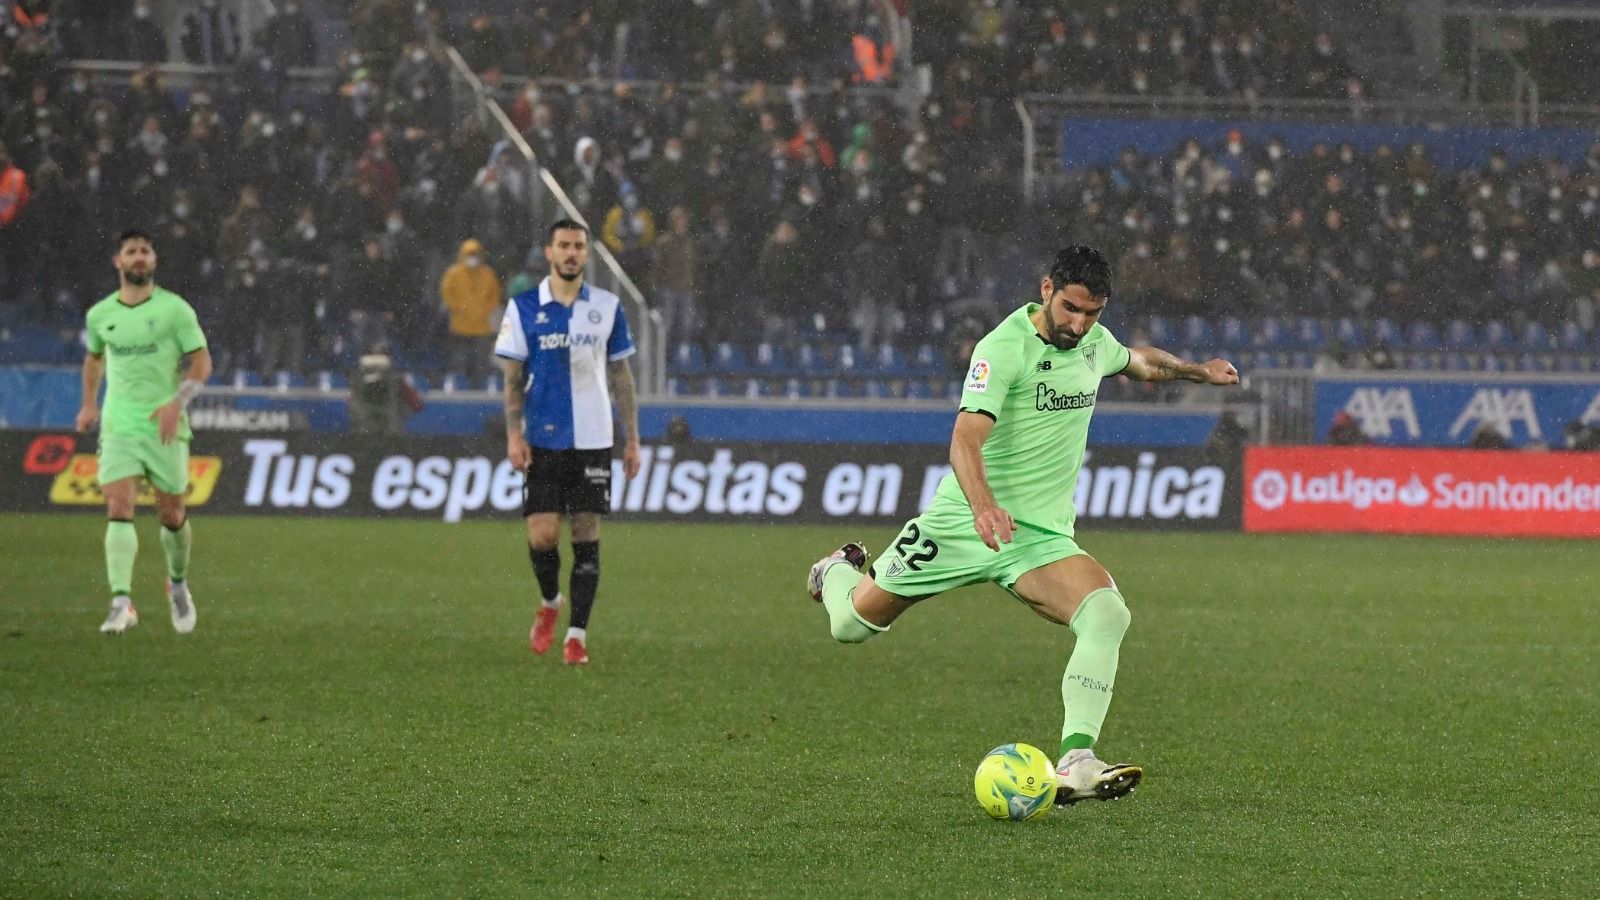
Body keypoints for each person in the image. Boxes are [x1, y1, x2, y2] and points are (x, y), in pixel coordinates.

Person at [805, 246, 1239, 805]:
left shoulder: (1093, 344)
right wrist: (984, 506)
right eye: (1070, 309)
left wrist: (1198, 371)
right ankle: (834, 570)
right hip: (962, 522)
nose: (1078, 324)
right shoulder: (1002, 348)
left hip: (1037, 539)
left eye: (1092, 313)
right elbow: (965, 439)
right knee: (849, 625)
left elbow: (1141, 362)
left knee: (1107, 614)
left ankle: (1077, 762)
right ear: (1046, 289)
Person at [494, 220, 643, 666]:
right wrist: (513, 434)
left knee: (585, 532)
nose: (572, 253)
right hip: (542, 437)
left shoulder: (607, 307)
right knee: (542, 537)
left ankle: (577, 635)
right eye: (564, 245)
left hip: (594, 438)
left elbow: (621, 376)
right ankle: (550, 602)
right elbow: (512, 378)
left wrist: (632, 439)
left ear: (587, 254)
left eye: (579, 246)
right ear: (550, 252)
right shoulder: (524, 307)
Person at [76, 230, 213, 635]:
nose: (138, 257)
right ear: (118, 261)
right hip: (120, 425)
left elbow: (202, 363)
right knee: (119, 506)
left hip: (165, 428)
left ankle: (178, 584)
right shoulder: (100, 315)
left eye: (145, 251)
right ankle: (121, 603)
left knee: (172, 515)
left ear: (154, 261)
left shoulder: (175, 310)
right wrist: (88, 403)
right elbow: (94, 358)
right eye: (131, 251)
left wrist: (177, 403)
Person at [439, 238, 502, 384]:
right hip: (460, 325)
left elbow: (495, 295)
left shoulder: (488, 274)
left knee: (481, 361)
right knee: (459, 359)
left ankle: (479, 385)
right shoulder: (453, 273)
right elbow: (446, 293)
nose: (472, 257)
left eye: (475, 254)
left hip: (481, 327)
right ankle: (459, 385)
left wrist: (484, 310)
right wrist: (459, 309)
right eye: (469, 254)